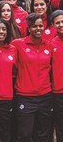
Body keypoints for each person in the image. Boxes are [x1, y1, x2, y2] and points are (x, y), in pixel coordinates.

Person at [12, 13, 54, 142]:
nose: (38, 29)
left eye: (40, 26)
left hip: (45, 95)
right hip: (25, 96)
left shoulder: (49, 45)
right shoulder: (18, 44)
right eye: (34, 26)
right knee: (25, 134)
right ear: (29, 28)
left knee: (43, 134)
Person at [50, 10, 63, 142]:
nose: (61, 25)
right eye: (58, 23)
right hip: (59, 92)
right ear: (53, 25)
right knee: (60, 126)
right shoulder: (51, 44)